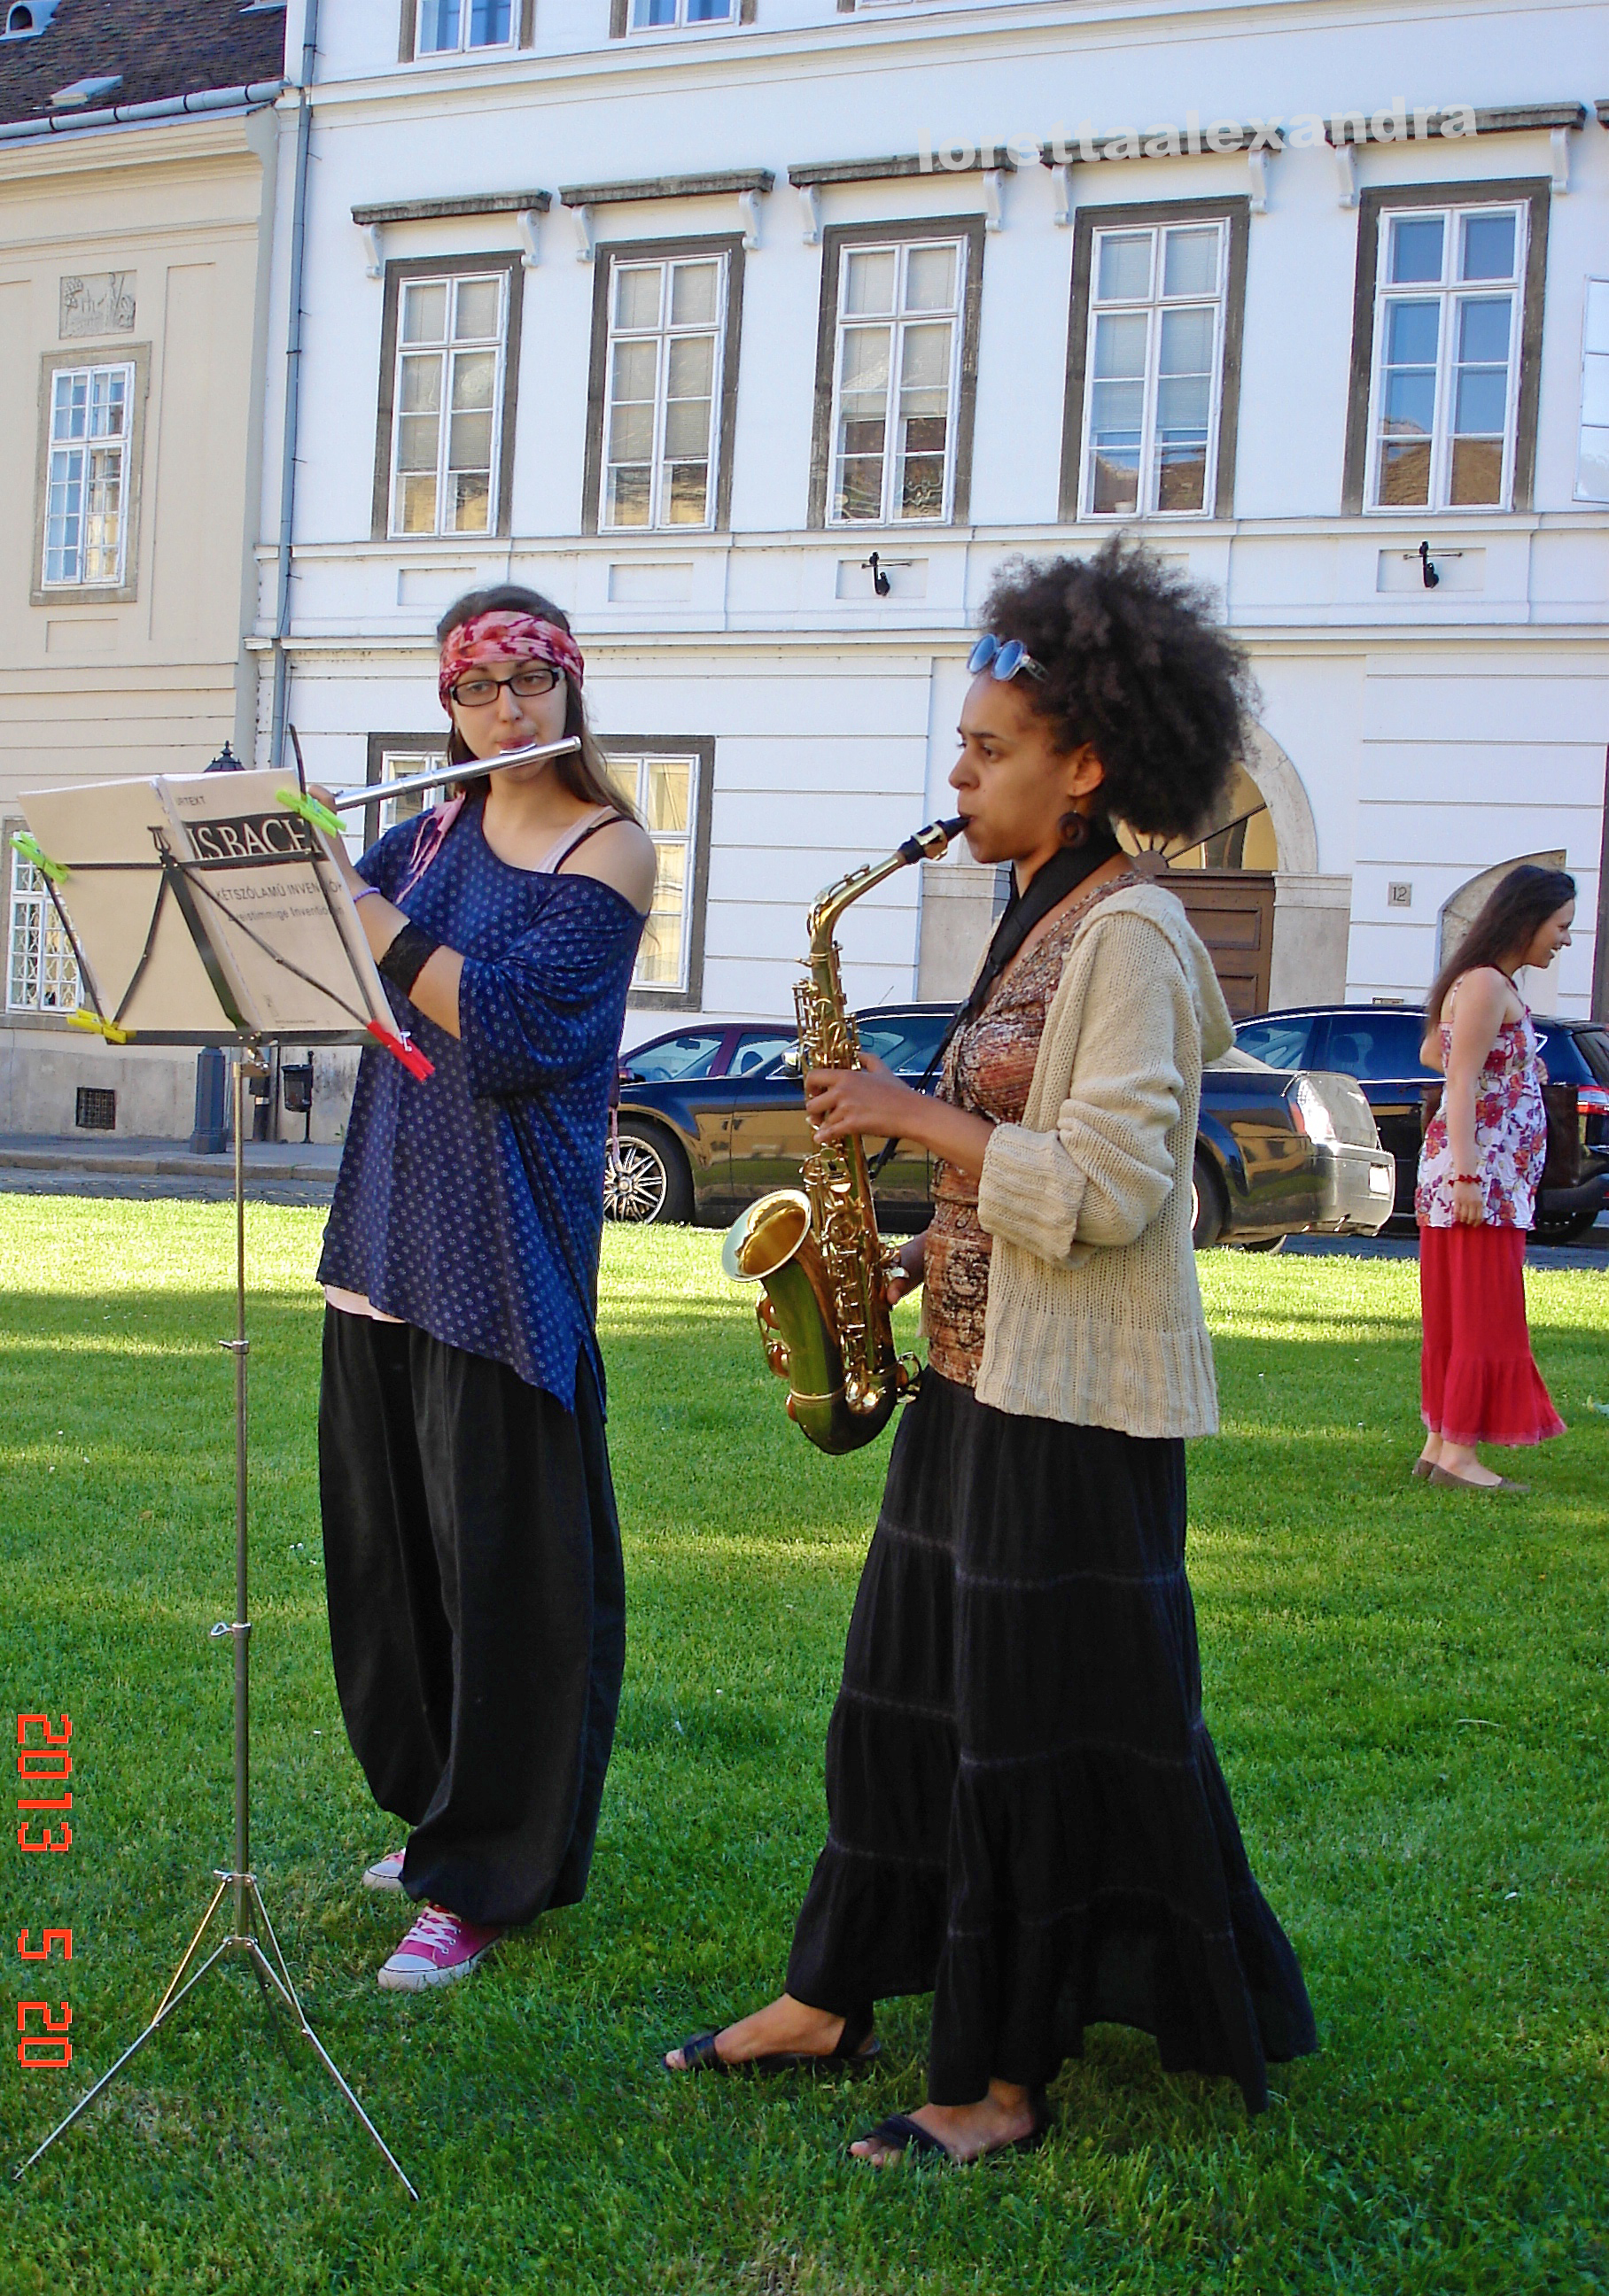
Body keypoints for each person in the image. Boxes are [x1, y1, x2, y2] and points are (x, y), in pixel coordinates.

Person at [665, 538, 1315, 2164]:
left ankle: (996, 2080)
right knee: (894, 1707)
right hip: (974, 1378)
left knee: (1020, 1743)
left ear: (1083, 764)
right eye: (958, 745)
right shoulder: (1037, 910)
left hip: (1071, 1413)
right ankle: (830, 1993)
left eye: (983, 749)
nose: (953, 774)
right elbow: (1018, 1168)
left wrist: (905, 1114)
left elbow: (1107, 1187)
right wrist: (905, 1241)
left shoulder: (1135, 938)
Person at [314, 585, 655, 1991]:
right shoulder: (428, 829)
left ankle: (489, 1879)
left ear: (571, 690)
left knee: (512, 1580)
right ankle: (438, 1817)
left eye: (531, 684)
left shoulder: (609, 847)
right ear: (443, 707)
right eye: (477, 692)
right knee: (398, 1570)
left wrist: (372, 916)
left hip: (503, 1260)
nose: (505, 714)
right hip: (385, 1234)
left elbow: (511, 1030)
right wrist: (285, 866)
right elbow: (337, 967)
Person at [1413, 865, 1573, 1492]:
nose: (1563, 940)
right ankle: (1458, 1454)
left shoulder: (1479, 981)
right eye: (1559, 926)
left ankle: (1440, 1442)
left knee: (1460, 1310)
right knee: (1484, 1311)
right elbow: (1459, 1078)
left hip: (1476, 1176)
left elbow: (1437, 1052)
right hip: (1481, 1179)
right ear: (1528, 919)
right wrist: (1470, 1175)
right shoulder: (1484, 983)